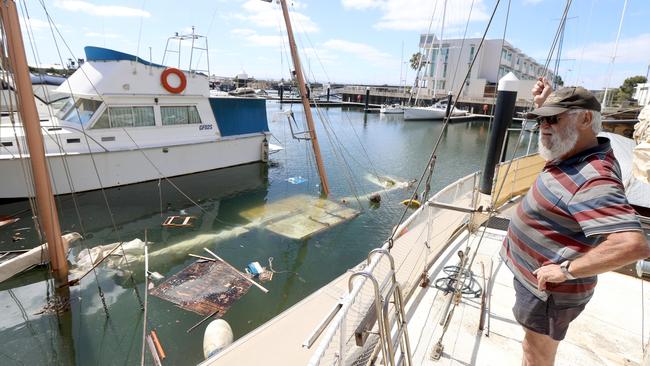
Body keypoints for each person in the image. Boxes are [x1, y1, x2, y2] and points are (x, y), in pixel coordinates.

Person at [500, 77, 650, 366]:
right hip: (538, 287)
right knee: (532, 346)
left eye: (552, 120)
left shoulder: (594, 177)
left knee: (536, 354)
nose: (543, 126)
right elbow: (564, 131)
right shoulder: (581, 149)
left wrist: (566, 271)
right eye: (541, 119)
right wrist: (548, 107)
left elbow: (633, 245)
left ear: (584, 119)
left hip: (547, 294)